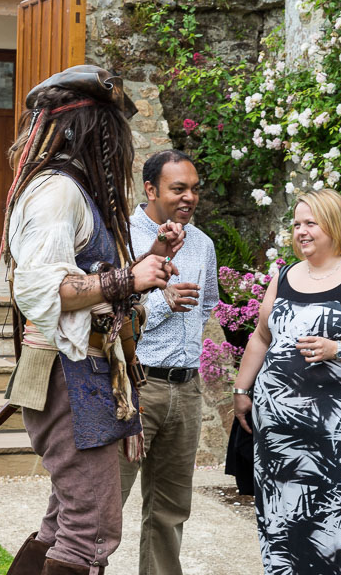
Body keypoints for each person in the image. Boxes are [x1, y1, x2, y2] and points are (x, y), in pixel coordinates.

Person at [2, 65, 185, 575]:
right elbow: (40, 290)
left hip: (84, 368)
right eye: (113, 131)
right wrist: (127, 280)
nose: (119, 146)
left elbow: (89, 275)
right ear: (91, 130)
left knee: (66, 520)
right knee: (92, 526)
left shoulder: (73, 190)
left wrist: (148, 257)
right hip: (66, 370)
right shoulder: (57, 192)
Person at [233, 188, 341, 575]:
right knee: (286, 525)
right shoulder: (286, 276)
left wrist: (336, 349)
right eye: (296, 224)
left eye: (311, 223)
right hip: (282, 440)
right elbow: (262, 337)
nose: (301, 232)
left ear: (334, 225)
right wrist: (243, 390)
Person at [118, 149, 219, 575]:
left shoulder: (202, 243)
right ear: (150, 189)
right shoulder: (121, 237)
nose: (189, 197)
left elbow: (208, 303)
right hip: (135, 388)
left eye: (194, 189)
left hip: (187, 389)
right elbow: (108, 316)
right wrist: (160, 303)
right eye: (179, 188)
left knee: (170, 510)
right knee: (103, 506)